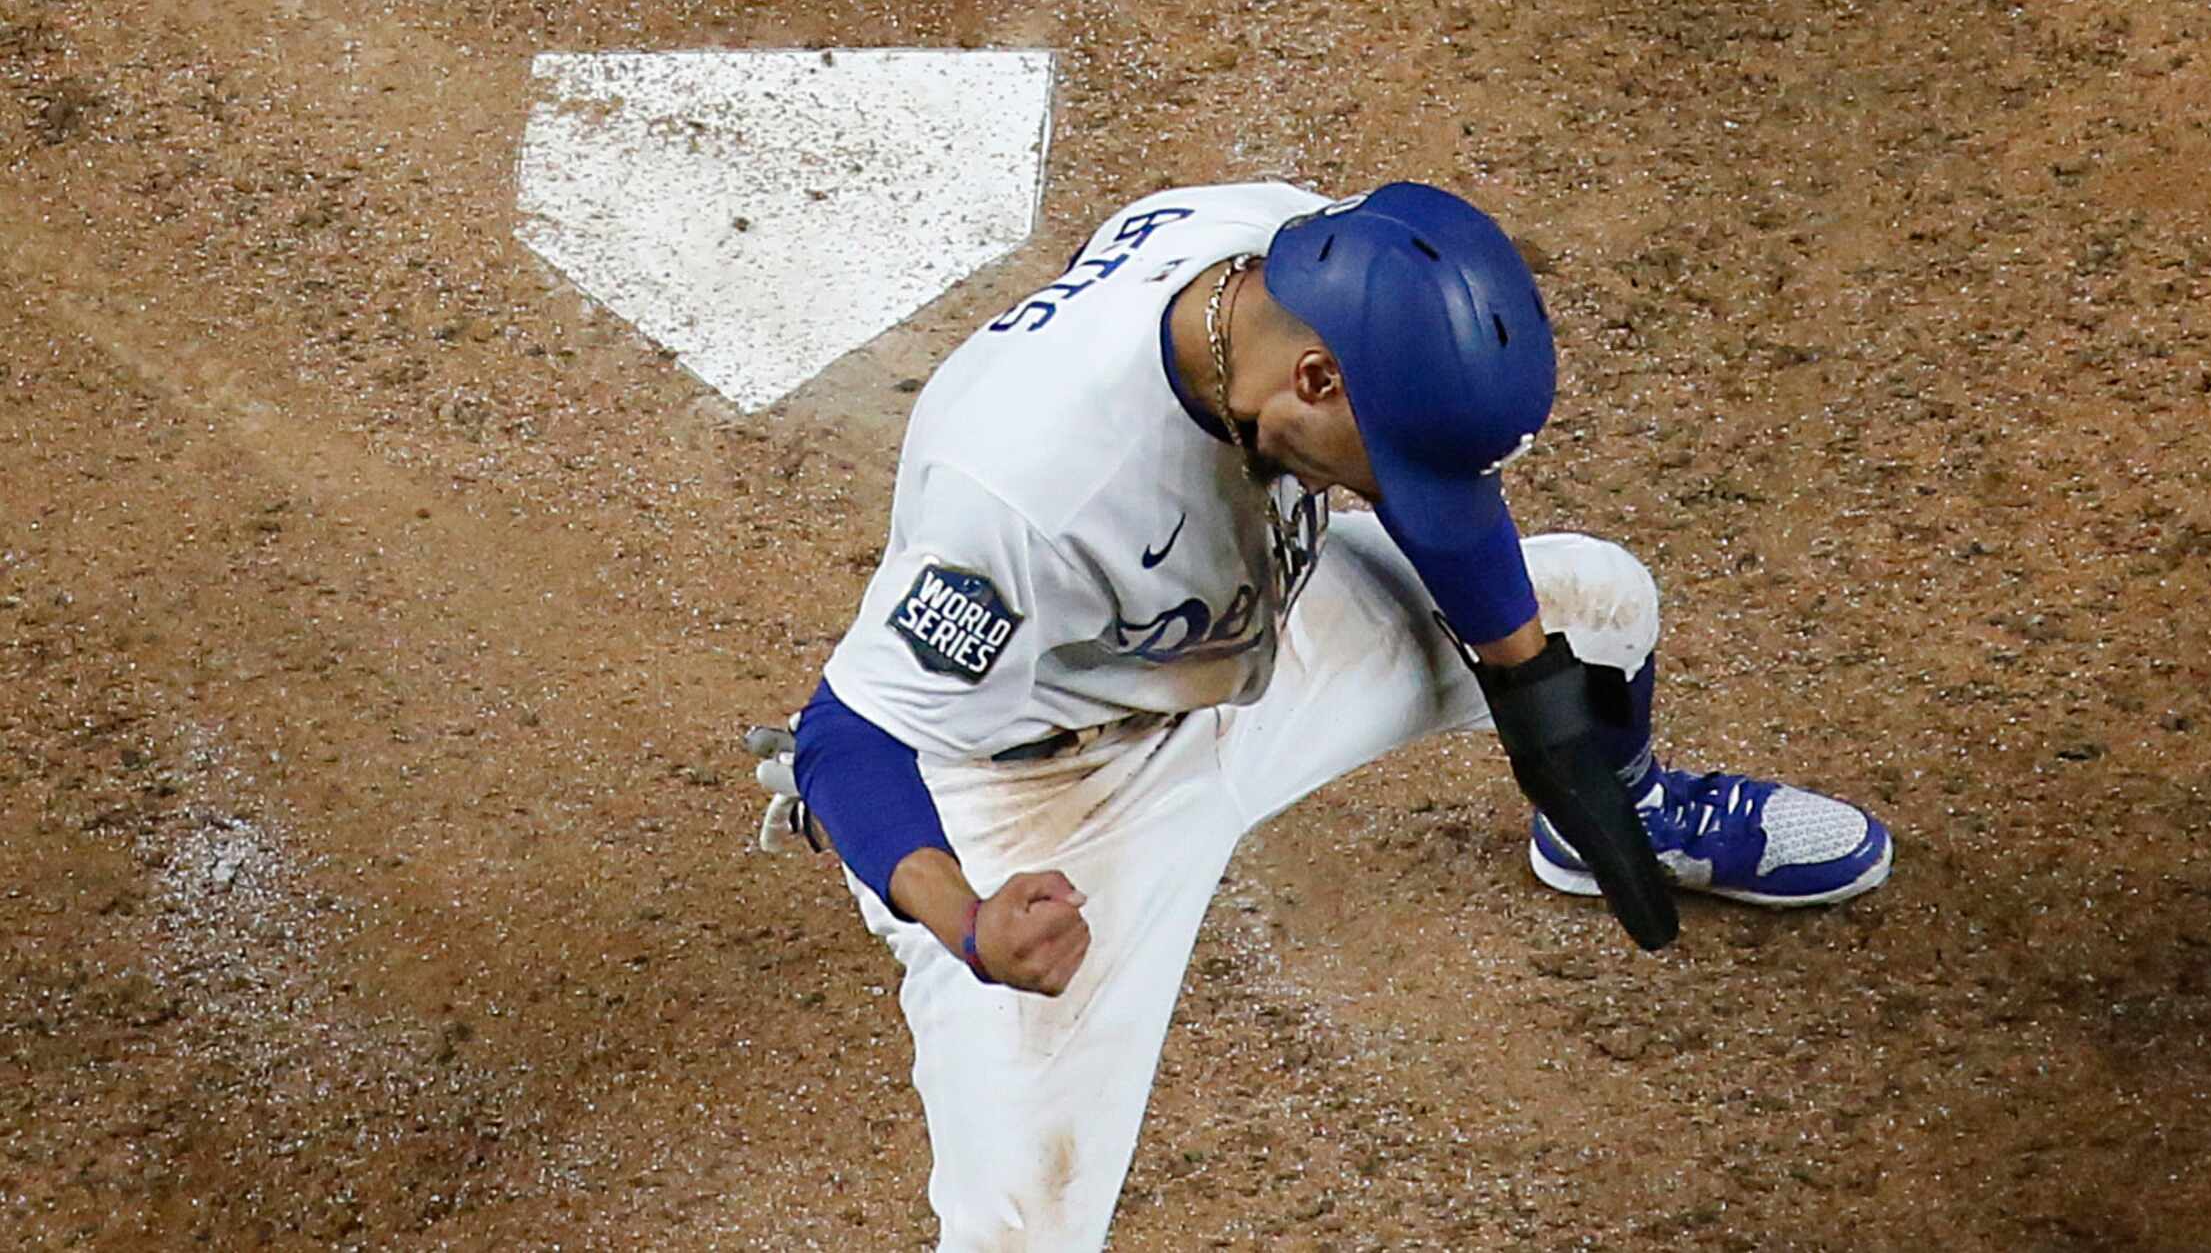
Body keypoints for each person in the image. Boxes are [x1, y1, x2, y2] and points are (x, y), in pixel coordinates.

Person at [747, 180, 1893, 1251]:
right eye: (1389, 460)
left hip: (1241, 661)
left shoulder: (1290, 259)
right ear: (1312, 382)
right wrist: (967, 920)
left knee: (1599, 603)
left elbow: (1448, 514)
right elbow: (849, 735)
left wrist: (1545, 725)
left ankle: (1623, 817)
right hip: (1042, 794)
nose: (1399, 491)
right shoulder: (1025, 496)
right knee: (1028, 1223)